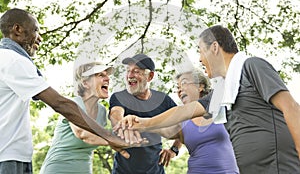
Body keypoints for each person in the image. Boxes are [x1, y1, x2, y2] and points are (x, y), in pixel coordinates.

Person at [116, 25, 300, 173]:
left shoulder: (251, 66)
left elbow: (291, 108)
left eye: (201, 51)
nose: (200, 58)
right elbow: (183, 111)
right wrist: (143, 122)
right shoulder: (223, 91)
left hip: (278, 166)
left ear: (214, 47)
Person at [0, 8, 130, 174]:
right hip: (7, 155)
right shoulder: (13, 60)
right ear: (17, 30)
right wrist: (109, 137)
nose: (40, 38)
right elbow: (60, 103)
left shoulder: (8, 59)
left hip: (14, 153)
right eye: (36, 30)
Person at [40, 62, 114, 173]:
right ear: (85, 83)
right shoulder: (74, 105)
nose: (107, 78)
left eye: (107, 75)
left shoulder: (102, 112)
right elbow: (83, 134)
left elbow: (91, 145)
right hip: (58, 169)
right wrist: (117, 141)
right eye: (101, 75)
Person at [109, 53, 177, 174]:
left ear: (150, 76)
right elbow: (116, 114)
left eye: (136, 71)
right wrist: (122, 124)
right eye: (128, 71)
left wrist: (174, 149)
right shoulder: (119, 97)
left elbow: (184, 124)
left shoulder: (163, 100)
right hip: (123, 171)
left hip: (155, 170)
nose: (130, 75)